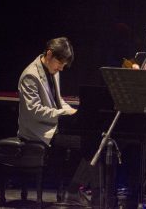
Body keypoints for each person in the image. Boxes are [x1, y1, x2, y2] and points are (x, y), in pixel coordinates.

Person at [17, 37, 91, 206]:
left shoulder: (52, 71)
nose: (61, 68)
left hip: (52, 124)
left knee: (93, 139)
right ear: (49, 54)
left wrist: (72, 110)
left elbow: (57, 100)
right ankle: (73, 190)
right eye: (60, 63)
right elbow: (34, 111)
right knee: (88, 143)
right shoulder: (30, 75)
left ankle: (76, 189)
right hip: (37, 129)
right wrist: (65, 112)